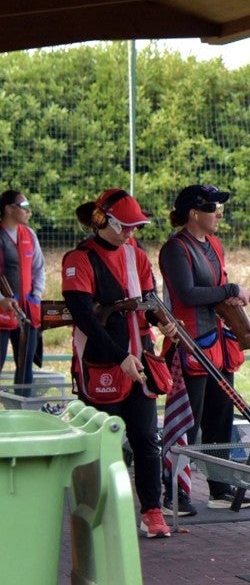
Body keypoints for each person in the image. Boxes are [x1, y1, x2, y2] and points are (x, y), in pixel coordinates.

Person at [64, 188, 179, 539]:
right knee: (101, 442)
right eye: (125, 226)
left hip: (139, 358)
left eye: (135, 227)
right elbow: (85, 317)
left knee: (146, 438)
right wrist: (120, 357)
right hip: (100, 362)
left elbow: (147, 298)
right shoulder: (78, 259)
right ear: (103, 221)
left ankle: (152, 511)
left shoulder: (136, 255)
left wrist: (164, 323)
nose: (131, 233)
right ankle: (96, 510)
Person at [158, 184, 250, 516]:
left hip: (217, 344)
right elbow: (186, 294)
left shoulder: (214, 245)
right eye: (213, 209)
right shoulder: (175, 249)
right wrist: (227, 290)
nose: (218, 215)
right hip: (187, 344)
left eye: (220, 209)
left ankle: (219, 488)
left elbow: (213, 291)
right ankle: (174, 492)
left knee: (219, 419)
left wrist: (226, 296)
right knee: (187, 423)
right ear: (193, 214)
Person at [0, 190, 45, 396]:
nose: (28, 211)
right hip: (1, 314)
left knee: (26, 368)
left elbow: (38, 268)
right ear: (9, 209)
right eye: (24, 206)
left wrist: (35, 296)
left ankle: (22, 410)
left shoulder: (29, 235)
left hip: (26, 312)